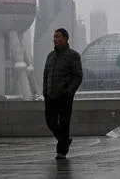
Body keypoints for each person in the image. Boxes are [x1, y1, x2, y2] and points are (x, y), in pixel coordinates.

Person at [43, 28, 83, 160]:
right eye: (54, 37)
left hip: (64, 95)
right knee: (50, 121)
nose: (55, 39)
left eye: (58, 36)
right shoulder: (51, 56)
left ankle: (61, 151)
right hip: (50, 95)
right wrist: (45, 91)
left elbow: (78, 76)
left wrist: (69, 91)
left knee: (64, 123)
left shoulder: (73, 56)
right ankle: (64, 140)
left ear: (66, 39)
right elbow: (46, 75)